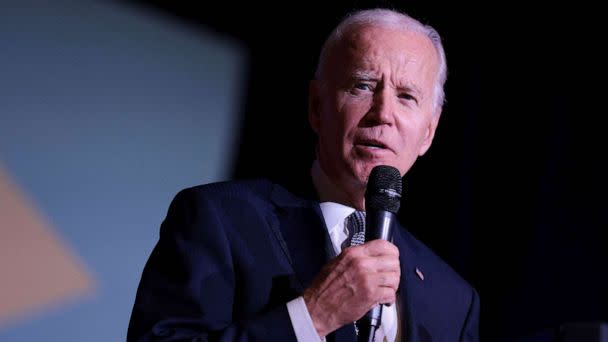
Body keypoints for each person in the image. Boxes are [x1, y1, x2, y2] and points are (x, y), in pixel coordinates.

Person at [128, 7, 479, 342]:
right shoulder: (219, 220)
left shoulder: (453, 300)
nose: (383, 113)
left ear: (428, 133)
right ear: (316, 107)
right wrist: (312, 317)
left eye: (406, 96)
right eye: (363, 86)